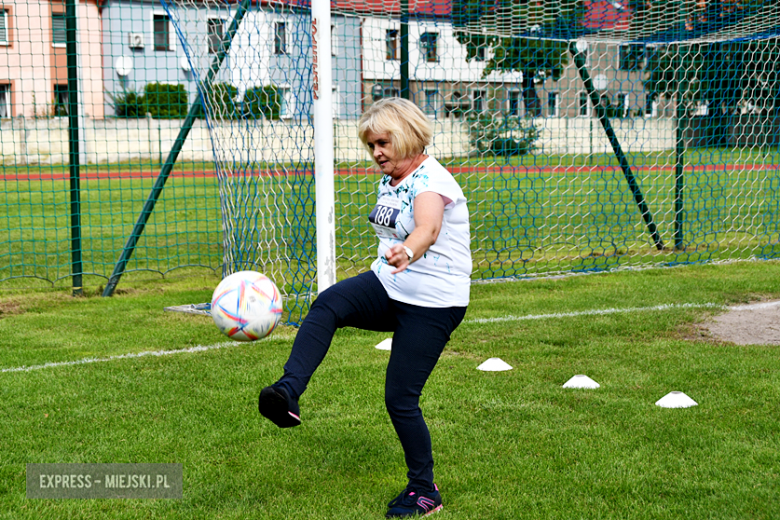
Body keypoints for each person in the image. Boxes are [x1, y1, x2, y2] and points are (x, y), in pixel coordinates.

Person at [257, 97, 471, 518]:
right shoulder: (392, 177)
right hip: (389, 284)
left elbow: (428, 226)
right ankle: (287, 393)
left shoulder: (433, 179)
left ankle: (425, 490)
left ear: (408, 137)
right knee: (328, 304)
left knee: (400, 398)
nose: (376, 153)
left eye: (383, 143)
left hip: (433, 302)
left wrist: (409, 251)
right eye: (371, 145)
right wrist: (396, 263)